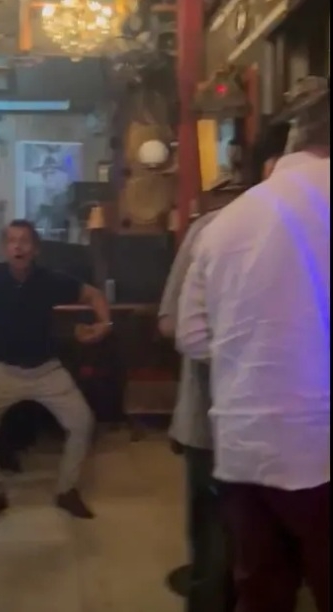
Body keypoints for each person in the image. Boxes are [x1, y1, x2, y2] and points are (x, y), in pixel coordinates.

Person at [177, 76, 330, 612]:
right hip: (319, 446)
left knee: (261, 592)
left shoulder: (224, 223)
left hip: (242, 442)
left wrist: (257, 359)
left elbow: (191, 335)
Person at [159, 125, 290, 611]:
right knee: (216, 554)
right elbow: (172, 322)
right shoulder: (215, 228)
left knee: (274, 558)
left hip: (294, 427)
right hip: (215, 424)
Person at [0, 219, 111, 524]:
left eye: (25, 240)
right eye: (12, 241)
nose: (18, 246)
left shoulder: (50, 279)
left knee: (82, 423)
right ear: (5, 248)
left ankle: (67, 490)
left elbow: (93, 294)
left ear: (35, 248)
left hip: (46, 371)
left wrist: (103, 324)